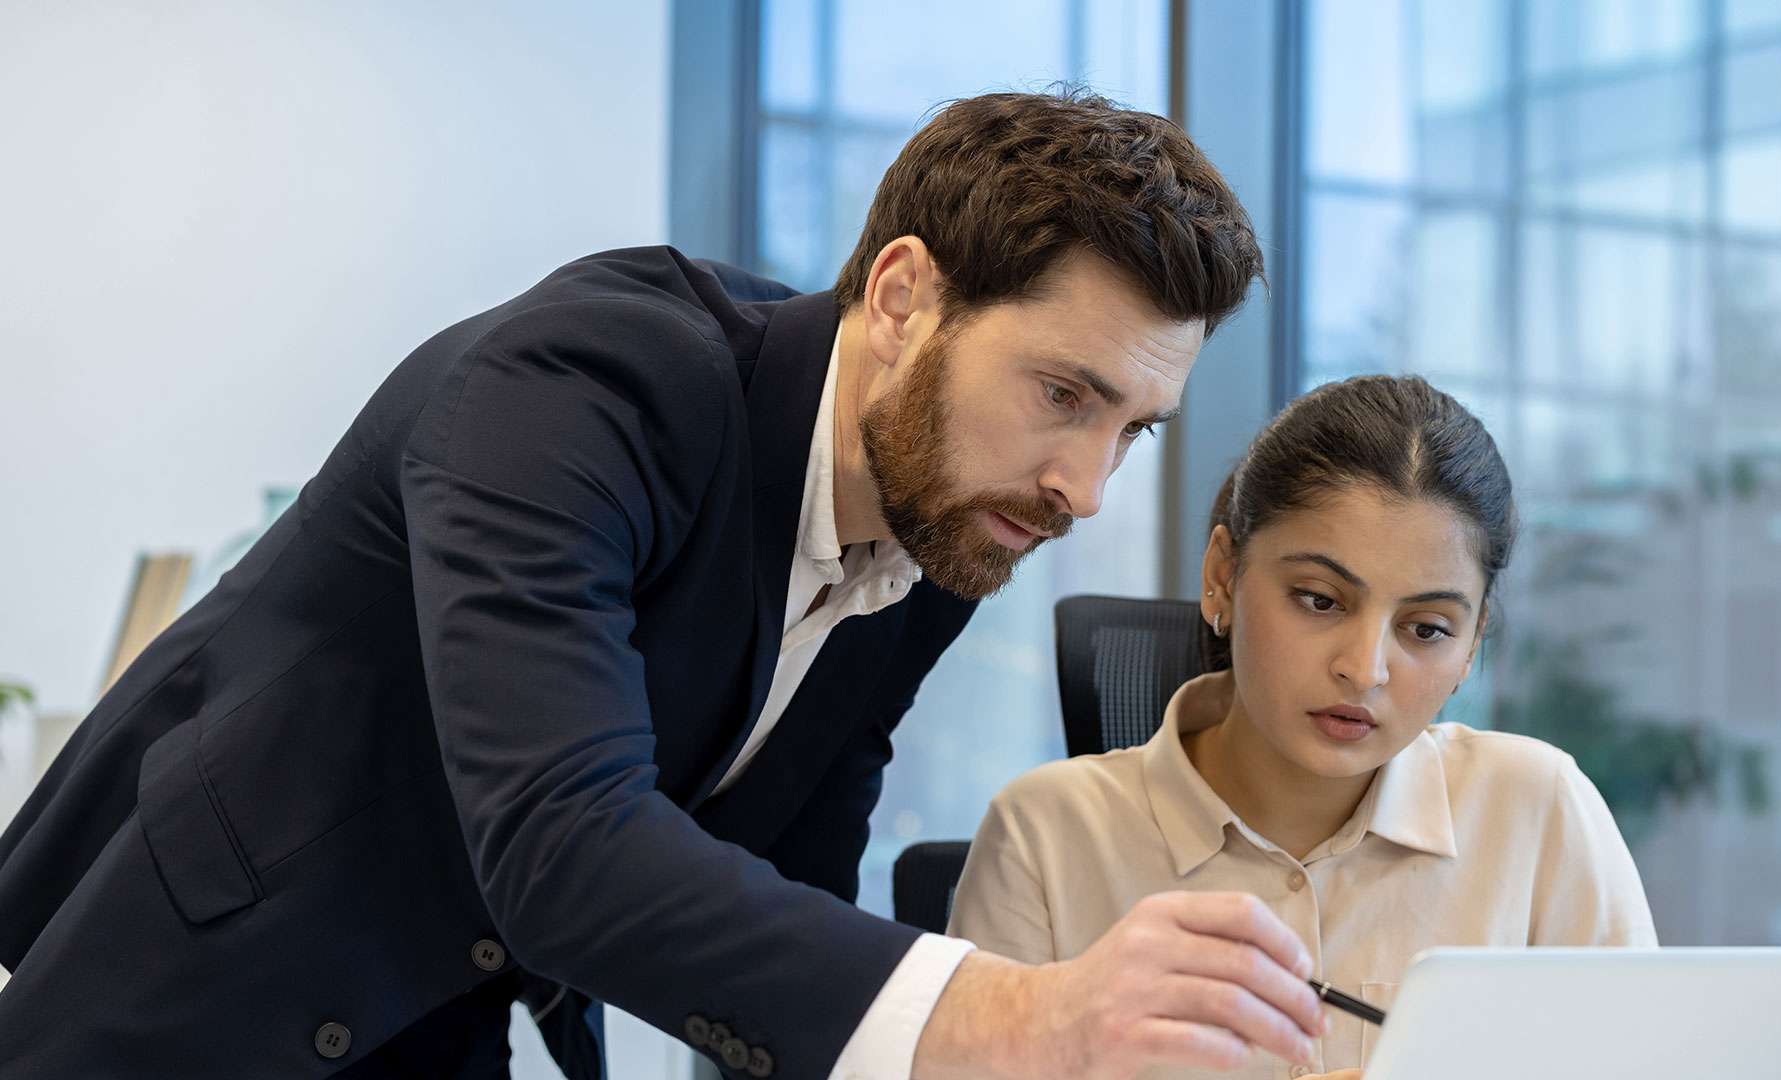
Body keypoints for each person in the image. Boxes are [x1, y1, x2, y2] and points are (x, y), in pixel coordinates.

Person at [0, 89, 1336, 1080]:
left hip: (440, 1023)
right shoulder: (587, 384)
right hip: (173, 1001)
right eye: (1063, 395)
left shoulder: (939, 525)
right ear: (902, 298)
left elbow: (794, 877)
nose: (1084, 488)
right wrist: (1017, 1016)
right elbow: (563, 842)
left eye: (1133, 431)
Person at [949, 374, 1659, 1078]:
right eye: (1319, 601)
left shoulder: (1538, 812)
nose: (1365, 669)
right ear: (1223, 577)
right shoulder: (1043, 838)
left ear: (1472, 645)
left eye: (1427, 628)